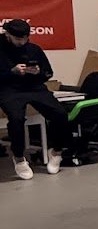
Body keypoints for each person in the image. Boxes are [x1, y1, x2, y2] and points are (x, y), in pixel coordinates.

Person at [0, 18, 70, 180]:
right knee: (16, 118)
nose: (22, 42)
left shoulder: (33, 49)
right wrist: (12, 72)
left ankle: (56, 151)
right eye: (18, 39)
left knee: (60, 113)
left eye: (25, 38)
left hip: (34, 87)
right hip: (8, 89)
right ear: (8, 34)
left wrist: (37, 72)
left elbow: (48, 73)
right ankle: (19, 158)